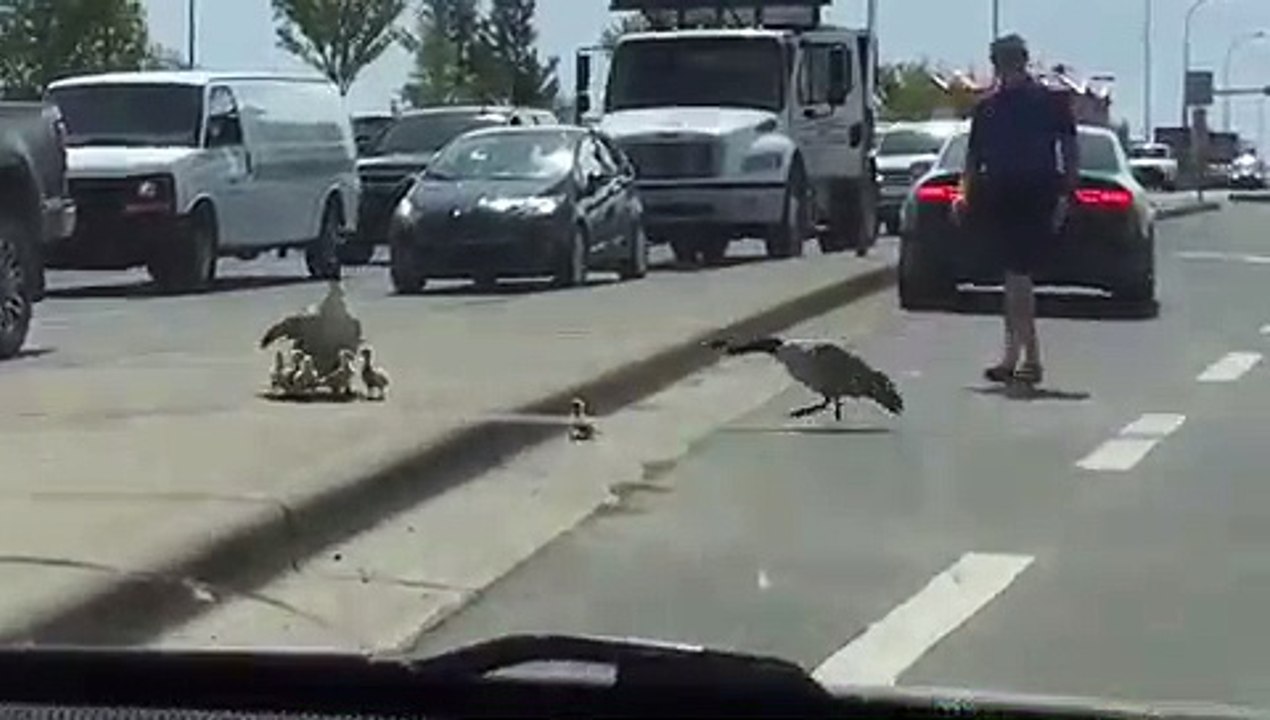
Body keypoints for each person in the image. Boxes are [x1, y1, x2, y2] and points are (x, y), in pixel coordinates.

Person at [957, 34, 1079, 386]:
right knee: (1012, 280)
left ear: (1020, 62)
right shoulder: (988, 108)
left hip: (1035, 194)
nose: (1005, 69)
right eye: (1002, 63)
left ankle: (1031, 358)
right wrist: (963, 195)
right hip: (999, 195)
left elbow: (1069, 150)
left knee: (1018, 278)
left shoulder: (1048, 102)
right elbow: (973, 158)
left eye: (1009, 62)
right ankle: (1013, 357)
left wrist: (1065, 195)